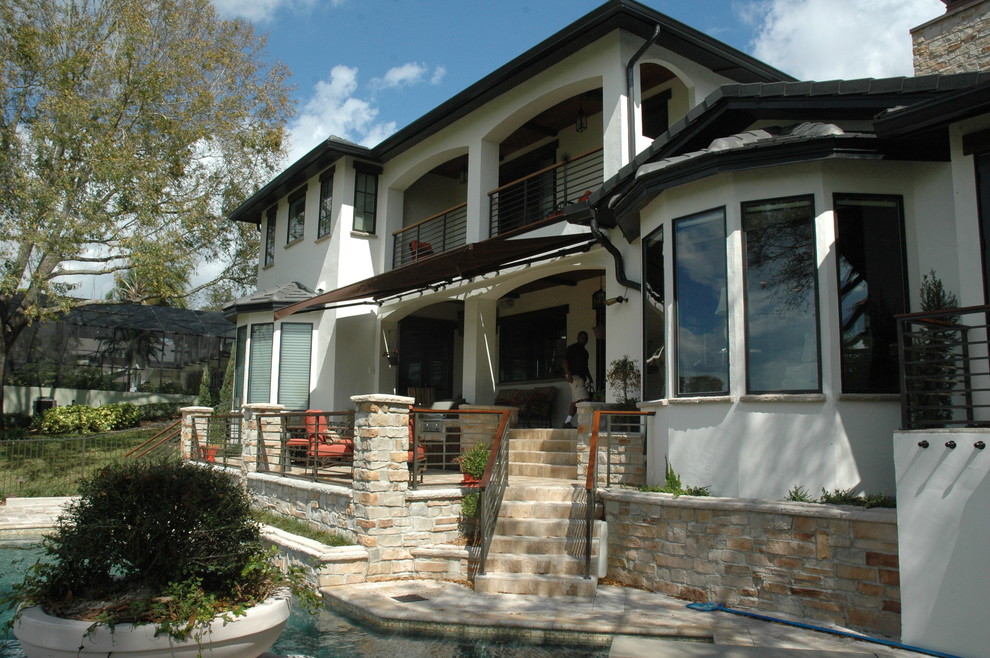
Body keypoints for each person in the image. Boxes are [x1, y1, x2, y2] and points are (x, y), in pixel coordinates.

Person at [563, 330, 592, 428]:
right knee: (584, 399)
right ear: (578, 338)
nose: (584, 339)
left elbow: (585, 367)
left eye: (586, 338)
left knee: (576, 400)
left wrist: (590, 378)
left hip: (581, 377)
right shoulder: (572, 348)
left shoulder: (585, 352)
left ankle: (567, 422)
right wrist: (568, 374)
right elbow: (565, 361)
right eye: (582, 337)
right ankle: (584, 423)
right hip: (574, 377)